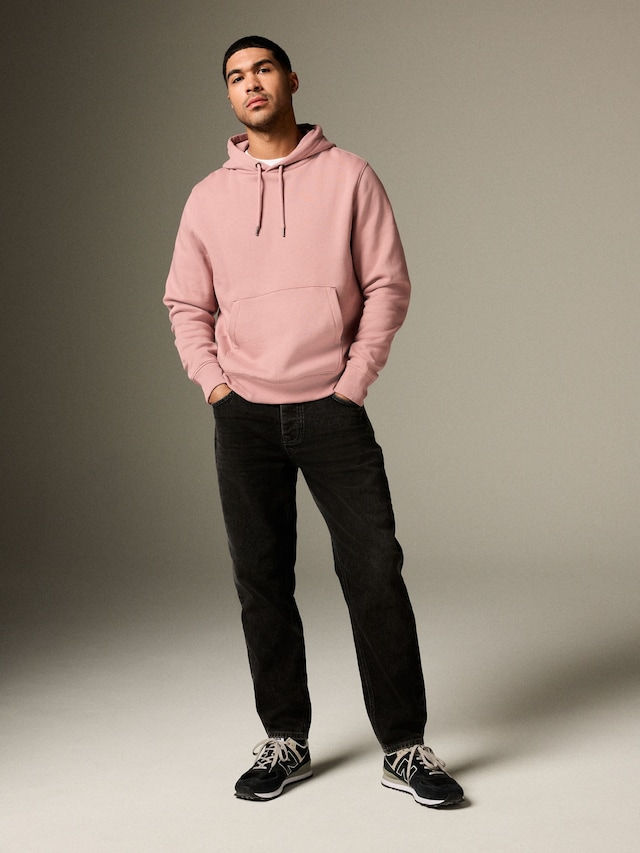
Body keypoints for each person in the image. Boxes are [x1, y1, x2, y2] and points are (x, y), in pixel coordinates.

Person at [164, 35, 464, 808]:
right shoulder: (207, 197)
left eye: (263, 69)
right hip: (244, 416)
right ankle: (284, 738)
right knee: (261, 581)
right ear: (229, 95)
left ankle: (404, 746)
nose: (251, 83)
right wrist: (215, 386)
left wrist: (353, 382)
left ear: (291, 80)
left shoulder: (349, 175)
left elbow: (388, 284)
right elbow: (186, 303)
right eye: (236, 76)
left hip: (332, 408)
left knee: (374, 570)